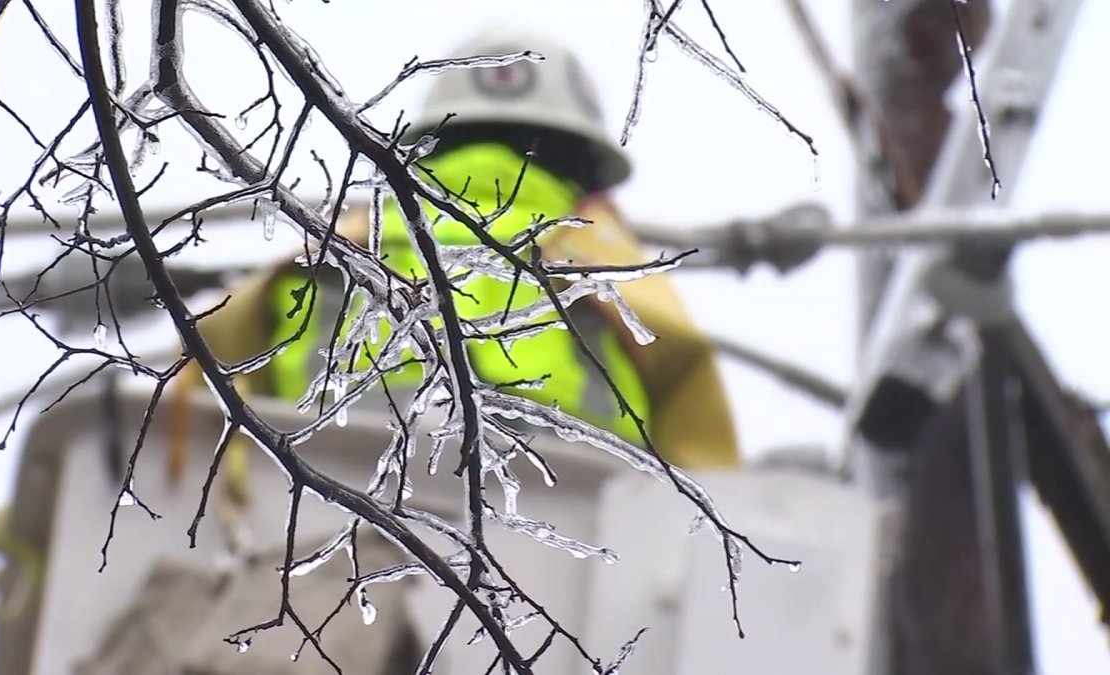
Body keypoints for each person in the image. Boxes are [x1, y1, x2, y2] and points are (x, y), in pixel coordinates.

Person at [168, 26, 740, 501]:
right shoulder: (611, 271)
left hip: (309, 525)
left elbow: (195, 384)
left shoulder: (327, 251)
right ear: (584, 167)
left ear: (429, 143)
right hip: (567, 550)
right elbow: (710, 476)